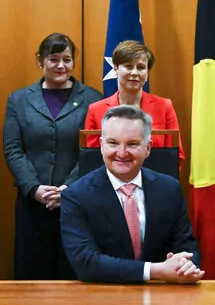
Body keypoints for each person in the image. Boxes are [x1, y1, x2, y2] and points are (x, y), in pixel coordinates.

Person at [61, 105, 203, 283]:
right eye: (113, 143)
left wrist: (186, 266)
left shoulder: (169, 188)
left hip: (161, 295)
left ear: (148, 148)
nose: (121, 153)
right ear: (101, 145)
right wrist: (155, 270)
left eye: (132, 144)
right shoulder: (76, 195)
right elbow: (86, 262)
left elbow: (187, 246)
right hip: (101, 294)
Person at [3, 33, 103, 279]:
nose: (61, 66)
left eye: (67, 59)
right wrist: (34, 187)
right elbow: (13, 149)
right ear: (40, 61)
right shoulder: (19, 99)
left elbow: (93, 150)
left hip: (77, 202)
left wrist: (68, 188)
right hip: (32, 203)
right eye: (54, 59)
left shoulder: (93, 99)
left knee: (74, 276)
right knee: (31, 276)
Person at [84, 40, 185, 167]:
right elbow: (90, 159)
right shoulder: (96, 110)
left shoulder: (164, 107)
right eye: (128, 66)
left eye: (141, 67)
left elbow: (176, 156)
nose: (134, 72)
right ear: (115, 68)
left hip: (154, 182)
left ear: (147, 73)